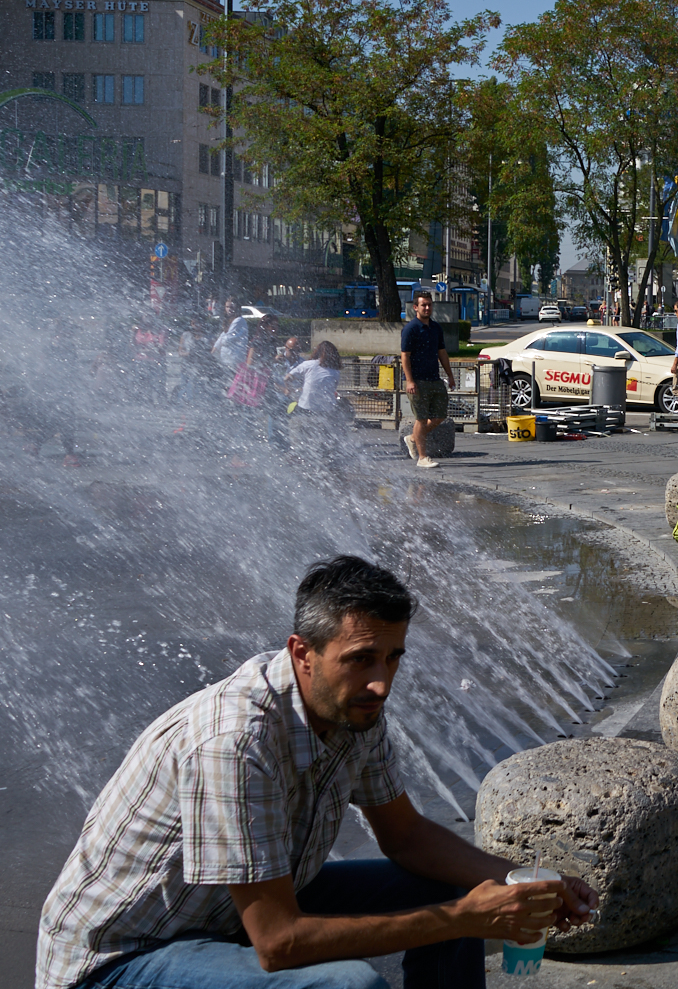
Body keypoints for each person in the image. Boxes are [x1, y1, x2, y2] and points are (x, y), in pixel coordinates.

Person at [36, 556, 595, 989]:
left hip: (237, 913)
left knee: (455, 881)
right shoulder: (234, 741)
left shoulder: (355, 708)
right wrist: (463, 919)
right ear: (302, 651)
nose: (382, 682)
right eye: (361, 658)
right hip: (122, 959)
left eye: (394, 657)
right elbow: (279, 942)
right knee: (347, 983)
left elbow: (405, 835)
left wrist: (523, 879)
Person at [399, 293, 454, 470]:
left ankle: (413, 438)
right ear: (415, 307)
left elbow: (442, 353)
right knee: (421, 419)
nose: (427, 308)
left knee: (440, 416)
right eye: (423, 305)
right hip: (417, 380)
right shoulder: (411, 329)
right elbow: (405, 356)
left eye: (429, 305)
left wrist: (450, 375)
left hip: (434, 379)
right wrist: (409, 381)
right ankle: (422, 457)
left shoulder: (436, 328)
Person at [288, 342, 346, 457]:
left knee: (301, 438)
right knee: (324, 441)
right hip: (326, 410)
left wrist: (290, 391)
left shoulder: (308, 364)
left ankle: (298, 456)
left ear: (316, 352)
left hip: (305, 408)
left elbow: (288, 377)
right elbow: (332, 389)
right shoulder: (335, 371)